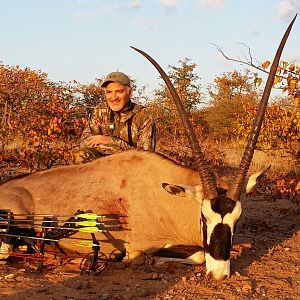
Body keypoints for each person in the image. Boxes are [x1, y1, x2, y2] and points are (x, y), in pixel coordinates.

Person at [75, 71, 156, 164]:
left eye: (119, 91)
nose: (113, 97)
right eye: (109, 92)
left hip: (131, 167)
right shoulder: (100, 111)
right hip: (103, 166)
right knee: (81, 155)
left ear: (130, 92)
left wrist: (111, 142)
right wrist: (120, 149)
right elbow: (85, 143)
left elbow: (145, 158)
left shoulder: (144, 116)